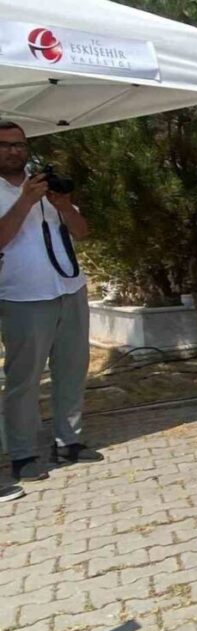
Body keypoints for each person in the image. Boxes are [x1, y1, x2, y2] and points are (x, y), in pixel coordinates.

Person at [0, 120, 103, 483]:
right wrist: (26, 201)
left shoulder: (43, 182)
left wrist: (63, 205)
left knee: (73, 369)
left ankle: (68, 441)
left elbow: (81, 231)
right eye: (5, 145)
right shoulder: (17, 191)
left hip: (69, 288)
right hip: (23, 296)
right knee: (24, 379)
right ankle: (24, 453)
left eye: (19, 144)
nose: (14, 151)